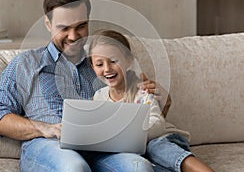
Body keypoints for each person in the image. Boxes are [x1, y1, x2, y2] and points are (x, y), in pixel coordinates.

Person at [0, 0, 162, 172]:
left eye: (81, 26)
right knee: (74, 167)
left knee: (140, 168)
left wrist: (157, 99)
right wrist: (43, 128)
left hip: (101, 148)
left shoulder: (101, 64)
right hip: (49, 146)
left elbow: (138, 112)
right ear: (48, 24)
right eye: (63, 28)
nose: (73, 36)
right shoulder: (26, 63)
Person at [89, 29, 215, 172]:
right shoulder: (98, 97)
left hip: (163, 139)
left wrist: (127, 133)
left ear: (128, 60)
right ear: (93, 67)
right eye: (99, 64)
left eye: (113, 61)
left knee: (154, 147)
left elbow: (157, 123)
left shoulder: (142, 91)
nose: (107, 69)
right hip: (137, 151)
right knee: (140, 163)